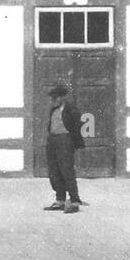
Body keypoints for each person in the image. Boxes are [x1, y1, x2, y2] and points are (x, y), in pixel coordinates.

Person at [43, 83, 85, 213]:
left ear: (62, 97)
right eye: (52, 97)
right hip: (53, 141)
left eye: (56, 97)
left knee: (67, 171)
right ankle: (60, 200)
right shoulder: (53, 110)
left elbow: (77, 127)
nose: (53, 100)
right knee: (54, 172)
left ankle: (74, 201)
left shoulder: (71, 109)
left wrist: (73, 142)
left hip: (65, 141)